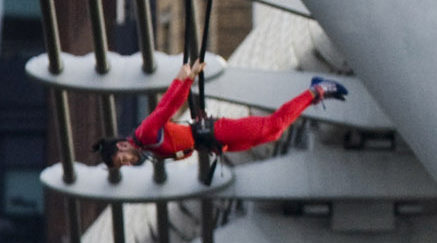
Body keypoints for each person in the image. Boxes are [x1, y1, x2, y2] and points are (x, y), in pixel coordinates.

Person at [93, 61, 348, 168]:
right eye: (123, 163)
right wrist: (181, 79)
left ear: (123, 144)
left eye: (122, 158)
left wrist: (187, 79)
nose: (128, 163)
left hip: (215, 132)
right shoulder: (147, 147)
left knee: (273, 125)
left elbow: (167, 108)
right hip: (215, 142)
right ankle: (315, 94)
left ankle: (317, 90)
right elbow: (166, 112)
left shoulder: (146, 134)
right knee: (273, 134)